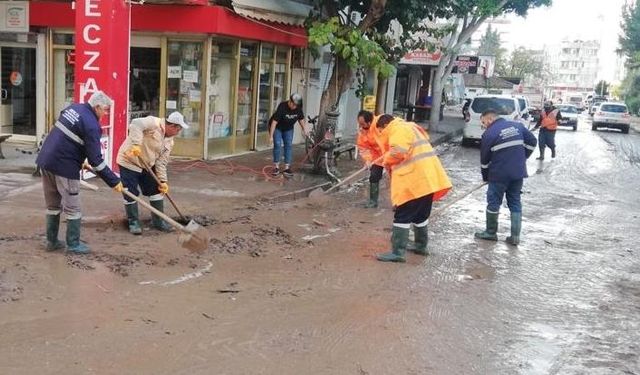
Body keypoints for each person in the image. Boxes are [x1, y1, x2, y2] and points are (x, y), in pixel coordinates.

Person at [36, 91, 123, 254]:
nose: (105, 114)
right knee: (73, 207)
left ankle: (52, 241)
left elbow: (68, 135)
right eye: (105, 110)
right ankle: (73, 245)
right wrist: (114, 181)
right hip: (64, 167)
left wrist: (78, 156)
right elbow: (96, 160)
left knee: (53, 205)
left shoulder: (73, 108)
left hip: (46, 161)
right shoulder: (92, 125)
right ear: (97, 107)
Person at [374, 115, 452, 263]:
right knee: (421, 216)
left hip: (413, 182)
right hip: (428, 180)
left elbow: (398, 152)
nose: (381, 134)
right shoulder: (410, 127)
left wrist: (385, 160)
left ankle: (397, 253)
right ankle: (421, 246)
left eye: (380, 131)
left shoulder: (397, 129)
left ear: (384, 126)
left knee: (402, 216)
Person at [116, 111, 189, 234]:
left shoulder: (169, 141)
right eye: (178, 129)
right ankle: (133, 222)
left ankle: (158, 221)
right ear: (172, 126)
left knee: (156, 190)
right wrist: (136, 144)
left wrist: (163, 181)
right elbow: (135, 124)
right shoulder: (153, 123)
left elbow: (161, 162)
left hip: (147, 165)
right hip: (129, 161)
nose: (178, 132)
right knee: (130, 192)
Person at [474, 110, 537, 245]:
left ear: (490, 119)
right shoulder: (517, 126)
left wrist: (486, 177)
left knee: (493, 202)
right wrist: (522, 158)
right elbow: (532, 141)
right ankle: (515, 237)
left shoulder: (489, 134)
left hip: (498, 174)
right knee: (515, 202)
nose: (484, 125)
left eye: (484, 122)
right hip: (517, 172)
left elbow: (484, 161)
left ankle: (490, 233)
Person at [269, 93, 308, 178]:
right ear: (290, 101)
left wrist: (305, 130)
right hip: (277, 128)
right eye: (293, 104)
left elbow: (301, 119)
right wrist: (271, 136)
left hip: (288, 129)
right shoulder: (282, 106)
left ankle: (287, 168)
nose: (294, 107)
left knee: (288, 145)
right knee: (278, 144)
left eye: (296, 105)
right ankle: (276, 167)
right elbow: (274, 122)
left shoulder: (298, 109)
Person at [356, 110, 383, 208]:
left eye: (362, 123)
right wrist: (367, 160)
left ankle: (399, 203)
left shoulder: (380, 124)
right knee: (374, 176)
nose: (360, 126)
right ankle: (373, 201)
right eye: (359, 123)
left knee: (396, 178)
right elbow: (363, 147)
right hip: (376, 157)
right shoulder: (362, 131)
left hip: (390, 154)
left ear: (369, 122)